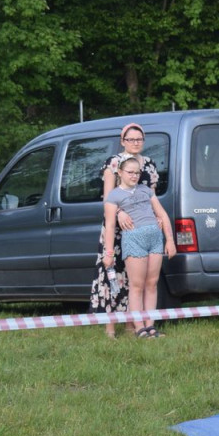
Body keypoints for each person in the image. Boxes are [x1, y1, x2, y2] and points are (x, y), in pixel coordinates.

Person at [90, 122, 161, 338]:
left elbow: (152, 197)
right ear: (123, 141)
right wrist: (120, 213)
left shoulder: (149, 165)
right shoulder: (112, 163)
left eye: (139, 139)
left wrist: (156, 218)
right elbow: (108, 197)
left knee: (136, 280)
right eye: (131, 139)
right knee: (112, 275)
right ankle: (110, 328)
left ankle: (136, 326)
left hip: (142, 227)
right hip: (116, 226)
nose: (135, 143)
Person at [102, 157, 176, 338]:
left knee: (152, 284)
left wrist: (170, 240)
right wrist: (109, 252)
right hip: (134, 240)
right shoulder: (114, 196)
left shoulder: (146, 190)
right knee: (137, 285)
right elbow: (110, 225)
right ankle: (139, 327)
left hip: (155, 239)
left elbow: (162, 214)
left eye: (137, 173)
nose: (134, 176)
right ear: (120, 173)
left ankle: (151, 326)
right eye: (130, 172)